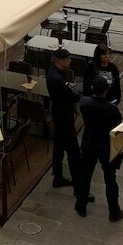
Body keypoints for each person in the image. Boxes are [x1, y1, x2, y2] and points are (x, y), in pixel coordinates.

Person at [74, 77, 123, 221]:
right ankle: (114, 211)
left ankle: (81, 205)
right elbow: (117, 129)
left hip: (89, 143)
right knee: (110, 179)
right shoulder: (112, 109)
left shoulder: (84, 103)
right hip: (105, 146)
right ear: (106, 90)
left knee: (85, 175)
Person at [46, 48, 80, 189]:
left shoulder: (52, 73)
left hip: (58, 113)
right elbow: (71, 96)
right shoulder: (58, 79)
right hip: (64, 116)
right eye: (68, 59)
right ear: (60, 61)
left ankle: (58, 177)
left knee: (59, 147)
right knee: (73, 150)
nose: (70, 60)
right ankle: (78, 178)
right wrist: (77, 94)